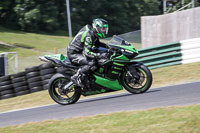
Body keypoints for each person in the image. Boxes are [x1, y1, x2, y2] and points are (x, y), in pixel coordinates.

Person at [67, 18, 109, 88]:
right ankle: (76, 77)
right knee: (92, 62)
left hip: (80, 52)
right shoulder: (89, 35)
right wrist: (99, 55)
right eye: (102, 29)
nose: (104, 30)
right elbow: (87, 52)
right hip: (74, 54)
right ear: (97, 27)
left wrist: (109, 47)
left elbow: (97, 44)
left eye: (105, 29)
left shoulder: (94, 34)